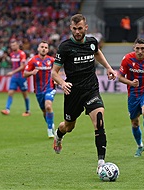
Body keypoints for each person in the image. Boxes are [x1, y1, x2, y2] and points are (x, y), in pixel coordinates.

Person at [51, 14, 117, 171]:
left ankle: (101, 162)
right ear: (70, 28)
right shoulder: (65, 47)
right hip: (73, 92)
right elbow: (54, 72)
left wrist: (108, 67)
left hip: (91, 89)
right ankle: (58, 135)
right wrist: (62, 83)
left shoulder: (92, 42)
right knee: (68, 126)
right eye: (74, 29)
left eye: (80, 28)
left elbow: (97, 52)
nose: (77, 32)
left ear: (85, 28)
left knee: (99, 120)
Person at [23, 41, 56, 138]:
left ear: (48, 50)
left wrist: (57, 79)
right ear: (38, 48)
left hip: (50, 88)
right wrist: (32, 72)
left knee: (48, 106)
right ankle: (51, 124)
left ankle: (49, 130)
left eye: (46, 47)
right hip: (38, 90)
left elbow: (58, 70)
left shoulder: (51, 60)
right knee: (44, 111)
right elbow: (25, 74)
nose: (44, 49)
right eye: (42, 47)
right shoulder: (33, 61)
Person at [1, 39, 30, 116]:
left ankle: (28, 110)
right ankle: (7, 109)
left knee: (24, 94)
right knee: (10, 92)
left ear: (17, 45)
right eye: (12, 46)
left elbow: (22, 66)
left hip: (21, 76)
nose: (13, 47)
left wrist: (12, 72)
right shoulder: (12, 54)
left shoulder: (22, 54)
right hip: (14, 77)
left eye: (14, 45)